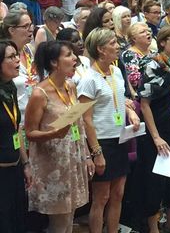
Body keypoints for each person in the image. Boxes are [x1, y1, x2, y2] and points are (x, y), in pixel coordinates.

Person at [25, 40, 93, 233]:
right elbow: (29, 133)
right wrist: (53, 133)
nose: (74, 59)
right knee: (59, 223)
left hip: (73, 158)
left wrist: (87, 155)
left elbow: (77, 126)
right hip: (52, 165)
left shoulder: (71, 86)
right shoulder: (39, 93)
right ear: (55, 62)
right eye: (69, 55)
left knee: (69, 217)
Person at [79, 28, 140, 233]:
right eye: (113, 43)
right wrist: (96, 152)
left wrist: (130, 112)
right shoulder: (89, 78)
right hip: (102, 142)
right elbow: (86, 119)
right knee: (101, 197)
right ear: (100, 49)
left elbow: (120, 98)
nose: (117, 46)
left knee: (118, 194)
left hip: (120, 138)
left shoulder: (115, 71)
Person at [136, 26, 170, 233]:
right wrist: (157, 137)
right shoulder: (152, 65)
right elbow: (145, 104)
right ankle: (153, 227)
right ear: (162, 43)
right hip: (154, 135)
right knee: (154, 184)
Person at [0, 40, 33, 233]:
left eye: (16, 55)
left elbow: (16, 129)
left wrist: (26, 163)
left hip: (15, 169)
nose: (17, 60)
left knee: (17, 219)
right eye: (11, 57)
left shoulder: (10, 89)